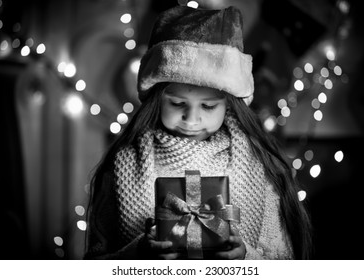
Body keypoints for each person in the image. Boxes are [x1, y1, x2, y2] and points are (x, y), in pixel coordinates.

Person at [84, 5, 312, 260]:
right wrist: (138, 255)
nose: (191, 119)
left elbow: (284, 261)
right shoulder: (122, 167)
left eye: (208, 105)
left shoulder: (258, 167)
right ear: (156, 99)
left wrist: (246, 259)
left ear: (229, 103)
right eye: (177, 103)